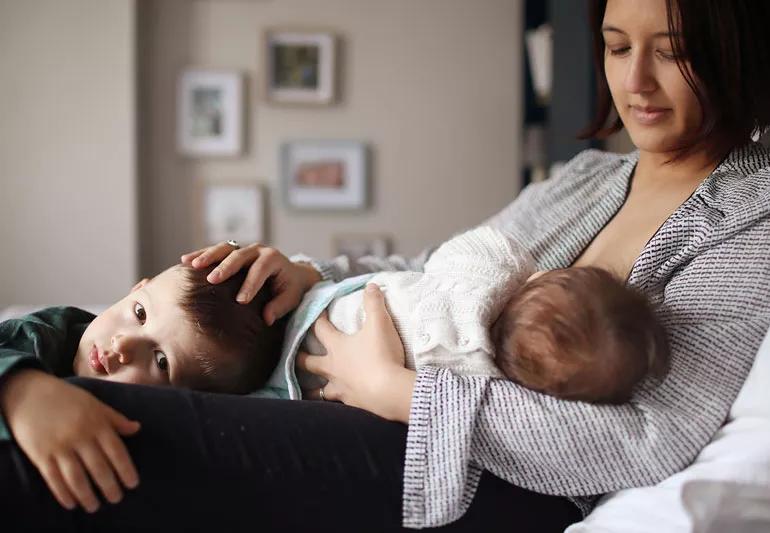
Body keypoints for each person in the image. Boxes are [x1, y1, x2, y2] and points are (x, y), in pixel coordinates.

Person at [0, 0, 768, 530]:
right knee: (93, 396)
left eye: (672, 52)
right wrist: (306, 276)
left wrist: (401, 392)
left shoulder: (752, 213)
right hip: (400, 407)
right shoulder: (587, 178)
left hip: (497, 480)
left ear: (735, 46)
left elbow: (649, 441)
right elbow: (432, 273)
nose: (634, 82)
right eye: (616, 44)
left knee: (116, 434)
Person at [266, 224, 669, 406]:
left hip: (320, 307)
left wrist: (522, 270)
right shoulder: (479, 382)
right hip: (304, 379)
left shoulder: (488, 272)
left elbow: (442, 258)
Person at [0, 262, 285, 514]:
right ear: (136, 289)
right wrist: (21, 390)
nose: (123, 344)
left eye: (161, 361)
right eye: (140, 313)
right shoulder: (47, 334)